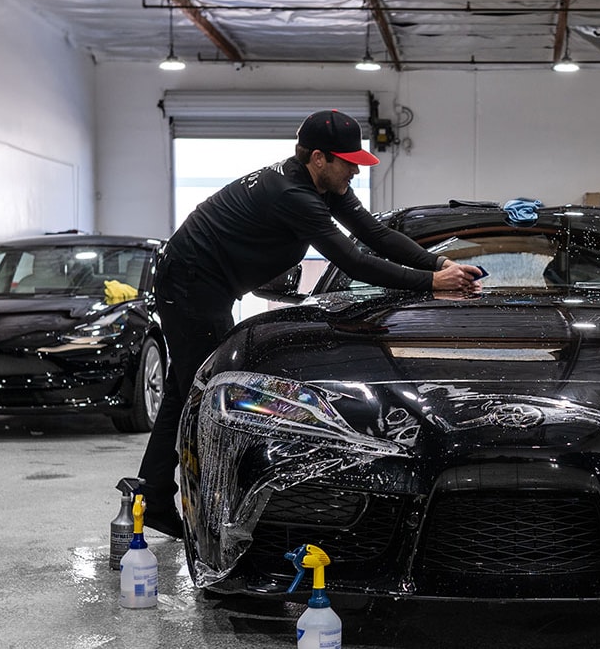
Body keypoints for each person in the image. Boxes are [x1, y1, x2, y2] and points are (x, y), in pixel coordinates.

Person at [138, 110, 483, 538]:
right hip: (191, 283)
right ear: (319, 158)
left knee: (183, 390)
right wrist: (431, 281)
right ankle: (200, 510)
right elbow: (352, 260)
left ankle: (152, 494)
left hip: (203, 283)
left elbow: (374, 234)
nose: (356, 169)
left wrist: (438, 262)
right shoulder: (292, 195)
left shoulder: (323, 185)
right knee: (201, 394)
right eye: (349, 161)